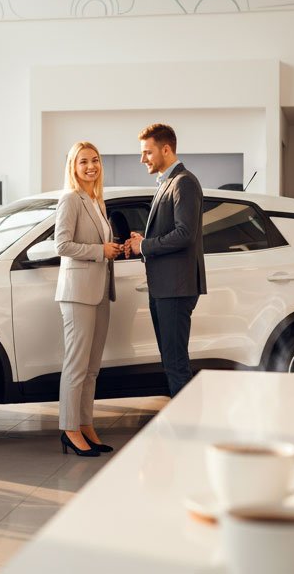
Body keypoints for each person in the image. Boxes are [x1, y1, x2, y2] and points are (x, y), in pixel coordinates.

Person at [127, 124, 206, 397]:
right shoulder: (167, 183)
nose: (143, 159)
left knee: (175, 364)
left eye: (147, 153)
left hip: (175, 289)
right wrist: (143, 239)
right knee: (171, 361)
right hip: (164, 288)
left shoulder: (184, 182)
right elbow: (172, 230)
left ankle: (187, 428)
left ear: (166, 149)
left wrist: (145, 246)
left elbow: (185, 234)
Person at [55, 141, 122, 457]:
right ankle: (69, 429)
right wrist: (100, 252)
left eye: (95, 160)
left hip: (99, 291)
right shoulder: (70, 199)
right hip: (78, 294)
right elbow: (62, 245)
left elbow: (97, 244)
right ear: (73, 166)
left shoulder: (97, 201)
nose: (91, 166)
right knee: (76, 365)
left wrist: (112, 249)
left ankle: (85, 425)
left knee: (92, 367)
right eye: (84, 162)